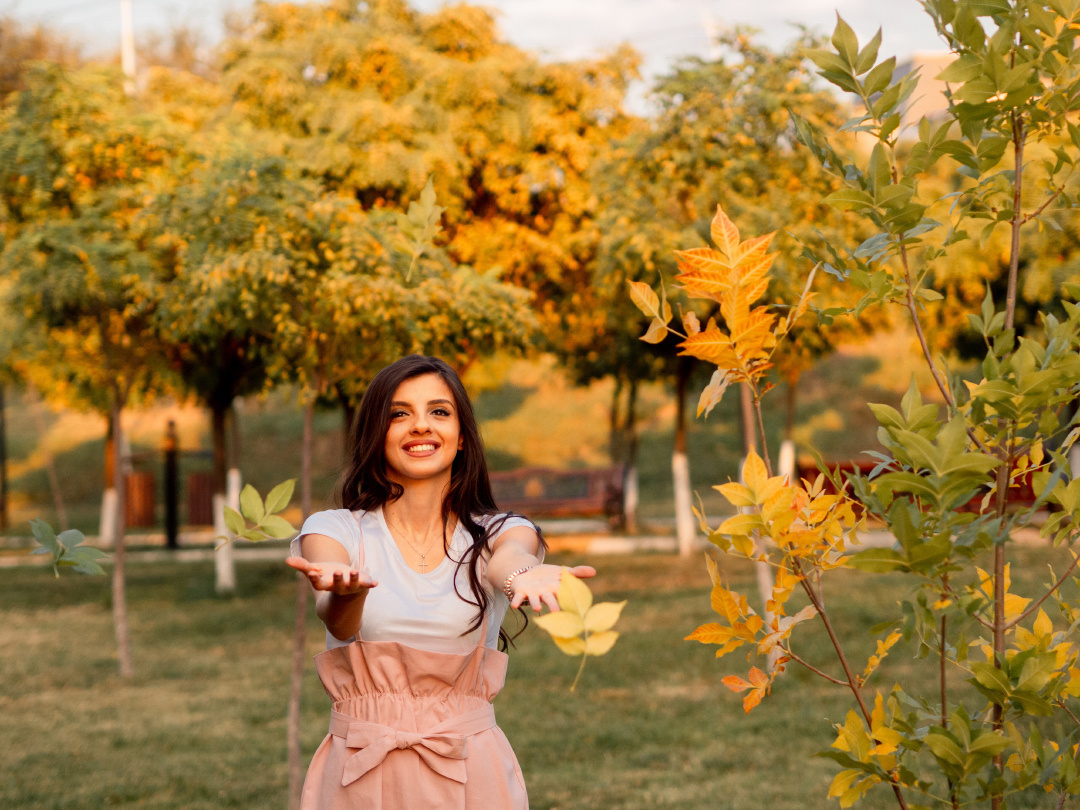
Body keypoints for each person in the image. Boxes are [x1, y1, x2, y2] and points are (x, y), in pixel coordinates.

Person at [286, 355, 595, 809]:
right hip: (361, 773)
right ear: (376, 433)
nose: (420, 426)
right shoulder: (335, 530)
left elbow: (507, 561)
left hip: (470, 771)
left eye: (438, 412)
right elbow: (337, 619)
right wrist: (344, 593)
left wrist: (522, 575)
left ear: (463, 436)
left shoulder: (500, 530)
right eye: (399, 414)